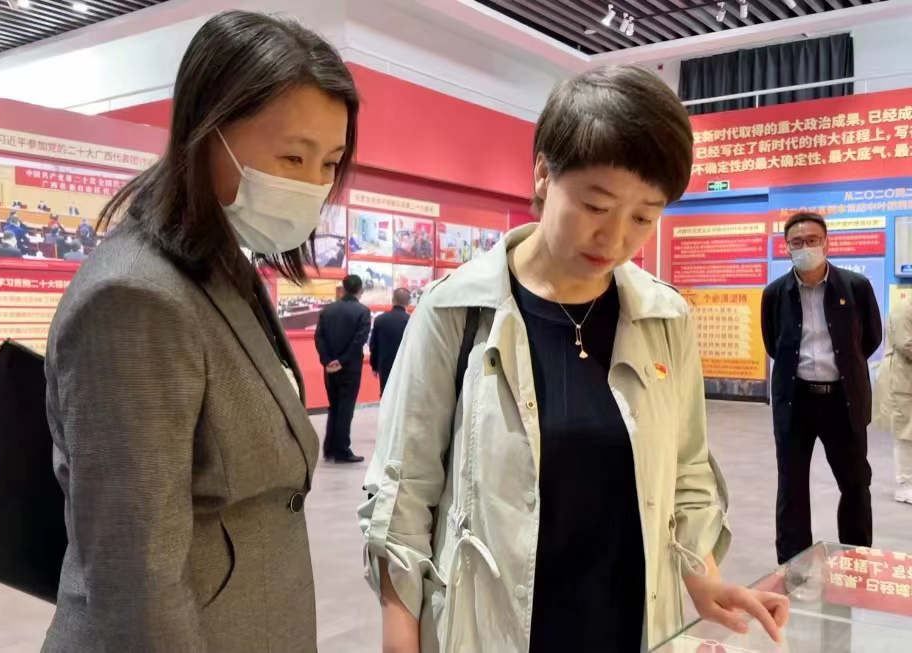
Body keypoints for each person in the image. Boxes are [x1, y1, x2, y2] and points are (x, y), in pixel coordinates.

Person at [360, 65, 789, 653]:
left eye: (644, 217)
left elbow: (686, 468)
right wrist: (399, 640)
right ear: (543, 174)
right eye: (595, 205)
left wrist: (703, 578)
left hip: (628, 624)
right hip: (495, 628)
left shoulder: (665, 317)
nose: (615, 239)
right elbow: (402, 494)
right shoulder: (456, 309)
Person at [42, 11, 358, 651]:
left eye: (330, 162)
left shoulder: (219, 267)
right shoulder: (136, 299)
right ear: (206, 132)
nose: (314, 185)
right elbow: (137, 581)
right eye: (292, 156)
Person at [762, 212, 883, 565]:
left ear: (826, 243)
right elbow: (774, 345)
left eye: (812, 240)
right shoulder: (775, 294)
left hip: (843, 401)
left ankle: (856, 559)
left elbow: (870, 338)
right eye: (797, 242)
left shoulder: (855, 287)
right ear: (786, 248)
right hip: (795, 401)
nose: (805, 247)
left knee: (855, 484)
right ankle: (794, 566)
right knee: (792, 487)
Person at [314, 274, 371, 463]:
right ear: (360, 290)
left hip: (330, 369)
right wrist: (342, 361)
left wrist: (327, 361)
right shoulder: (363, 311)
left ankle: (329, 448)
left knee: (334, 406)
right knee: (346, 408)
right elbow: (359, 341)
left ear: (343, 289)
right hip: (350, 368)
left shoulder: (327, 310)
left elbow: (319, 337)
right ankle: (341, 451)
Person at [872, 293, 912, 503]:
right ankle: (905, 485)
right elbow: (907, 345)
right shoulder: (904, 309)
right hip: (902, 380)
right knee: (905, 433)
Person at [369, 287, 411, 394]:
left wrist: (374, 366)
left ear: (392, 300)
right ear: (408, 302)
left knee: (386, 394)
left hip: (385, 365)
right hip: (405, 366)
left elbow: (374, 345)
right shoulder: (411, 320)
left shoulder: (380, 320)